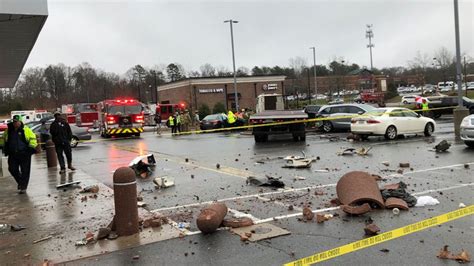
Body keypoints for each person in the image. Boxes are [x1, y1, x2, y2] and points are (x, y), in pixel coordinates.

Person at [3, 115, 38, 194]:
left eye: (17, 122)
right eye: (14, 122)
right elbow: (4, 140)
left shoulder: (26, 130)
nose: (15, 123)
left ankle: (23, 187)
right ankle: (20, 182)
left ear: (20, 122)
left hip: (24, 153)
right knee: (12, 169)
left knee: (25, 171)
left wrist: (30, 149)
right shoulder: (8, 130)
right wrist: (4, 148)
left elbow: (33, 139)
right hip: (13, 154)